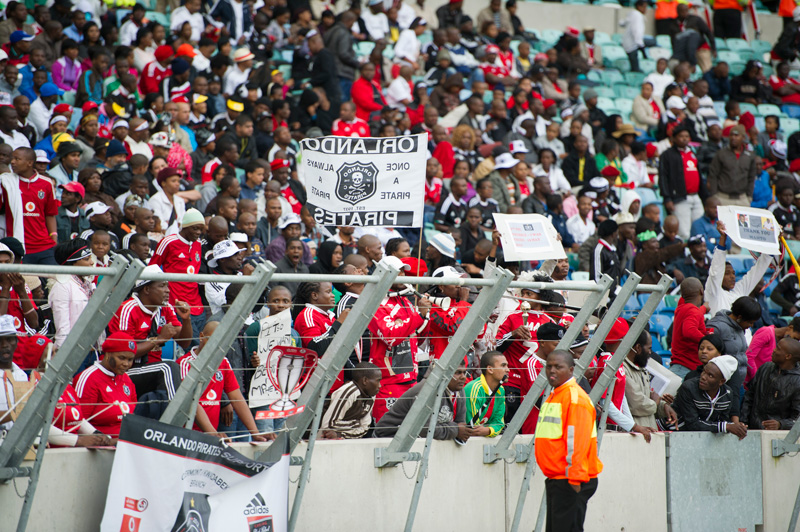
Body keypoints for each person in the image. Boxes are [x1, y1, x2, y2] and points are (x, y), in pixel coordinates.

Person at [535, 350, 602, 532]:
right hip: (560, 478)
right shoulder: (557, 394)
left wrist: (575, 478)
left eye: (558, 367)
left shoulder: (574, 398)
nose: (552, 371)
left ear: (571, 370)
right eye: (549, 366)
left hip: (570, 479)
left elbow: (577, 441)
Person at [178, 321, 267, 441]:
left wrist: (255, 433)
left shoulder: (223, 362)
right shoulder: (185, 364)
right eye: (213, 340)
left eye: (222, 342)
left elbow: (237, 397)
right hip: (187, 435)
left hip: (210, 435)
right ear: (201, 336)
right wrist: (213, 433)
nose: (217, 345)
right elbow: (190, 401)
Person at [369, 256, 431, 421]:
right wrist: (419, 315)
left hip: (411, 378)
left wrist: (426, 316)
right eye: (399, 272)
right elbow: (391, 336)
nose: (403, 275)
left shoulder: (404, 300)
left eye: (403, 271)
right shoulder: (376, 302)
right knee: (389, 430)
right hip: (389, 381)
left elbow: (417, 338)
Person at [375, 359, 475, 441]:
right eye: (457, 373)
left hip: (414, 440)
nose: (463, 377)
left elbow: (460, 424)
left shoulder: (459, 391)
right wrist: (455, 430)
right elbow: (424, 429)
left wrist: (460, 430)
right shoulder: (427, 390)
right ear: (445, 373)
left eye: (464, 372)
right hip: (389, 438)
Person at [149, 208, 207, 341]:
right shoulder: (168, 242)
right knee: (192, 345)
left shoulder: (198, 244)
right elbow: (152, 269)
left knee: (202, 344)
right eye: (195, 228)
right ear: (185, 227)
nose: (198, 232)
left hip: (197, 306)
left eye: (201, 229)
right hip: (177, 304)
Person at [72, 331, 139, 437]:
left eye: (130, 360)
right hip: (102, 442)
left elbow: (134, 412)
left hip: (128, 439)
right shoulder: (89, 378)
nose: (126, 364)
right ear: (108, 354)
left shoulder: (126, 378)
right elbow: (78, 421)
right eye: (121, 358)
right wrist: (104, 439)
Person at [705, 221, 773, 316]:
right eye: (727, 273)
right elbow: (716, 271)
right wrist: (723, 238)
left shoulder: (738, 292)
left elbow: (757, 272)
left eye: (733, 273)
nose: (732, 277)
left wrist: (773, 241)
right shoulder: (713, 292)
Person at [672, 354, 747, 439]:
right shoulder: (688, 388)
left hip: (700, 439)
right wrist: (727, 426)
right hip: (674, 434)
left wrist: (736, 427)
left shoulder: (727, 394)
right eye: (704, 371)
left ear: (721, 381)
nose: (703, 377)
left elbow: (722, 421)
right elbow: (692, 424)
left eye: (710, 376)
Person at [624, 330, 679, 428]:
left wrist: (663, 407)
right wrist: (656, 402)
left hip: (649, 431)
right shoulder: (623, 369)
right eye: (649, 348)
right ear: (638, 348)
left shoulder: (642, 368)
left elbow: (648, 398)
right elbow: (637, 404)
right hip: (635, 433)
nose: (650, 352)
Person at [741, 337, 800, 430]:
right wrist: (743, 422)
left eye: (778, 348)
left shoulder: (797, 381)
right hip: (752, 429)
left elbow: (797, 418)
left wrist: (781, 424)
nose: (774, 350)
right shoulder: (765, 368)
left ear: (788, 356)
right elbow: (749, 396)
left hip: (776, 435)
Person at [659, 126, 702, 240]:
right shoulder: (667, 154)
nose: (684, 139)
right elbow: (663, 177)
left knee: (699, 230)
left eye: (687, 136)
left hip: (696, 196)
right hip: (679, 198)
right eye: (681, 136)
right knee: (684, 232)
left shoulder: (692, 153)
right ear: (673, 138)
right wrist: (667, 198)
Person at [319, 362, 382, 440]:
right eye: (378, 381)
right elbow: (328, 425)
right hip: (323, 439)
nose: (380, 385)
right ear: (365, 380)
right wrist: (356, 424)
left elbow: (365, 428)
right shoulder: (349, 392)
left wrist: (340, 435)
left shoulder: (371, 395)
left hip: (348, 440)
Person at [708, 125, 757, 209]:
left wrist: (749, 197)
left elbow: (751, 177)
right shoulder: (721, 154)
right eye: (731, 135)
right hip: (723, 197)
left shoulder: (749, 155)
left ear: (743, 137)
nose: (733, 138)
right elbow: (713, 175)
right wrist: (714, 195)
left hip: (742, 199)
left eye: (736, 135)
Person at [670, 277, 710, 379]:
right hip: (685, 369)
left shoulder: (682, 307)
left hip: (680, 367)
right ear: (701, 291)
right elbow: (689, 331)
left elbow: (693, 313)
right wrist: (708, 341)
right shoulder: (693, 311)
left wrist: (703, 309)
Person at [464, 350, 508, 437]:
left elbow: (499, 423)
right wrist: (489, 430)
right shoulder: (474, 388)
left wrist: (489, 430)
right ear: (490, 369)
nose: (508, 369)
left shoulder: (501, 390)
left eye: (507, 365)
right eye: (503, 365)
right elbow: (472, 427)